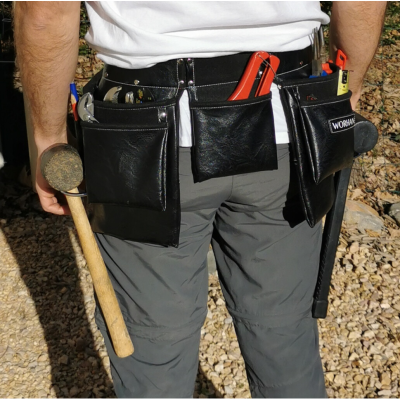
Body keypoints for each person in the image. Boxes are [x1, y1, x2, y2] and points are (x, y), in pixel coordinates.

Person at [14, 2, 387, 398]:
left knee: (153, 345)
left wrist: (48, 137)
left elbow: (45, 11)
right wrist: (348, 89)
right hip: (287, 128)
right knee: (284, 334)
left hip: (145, 141)